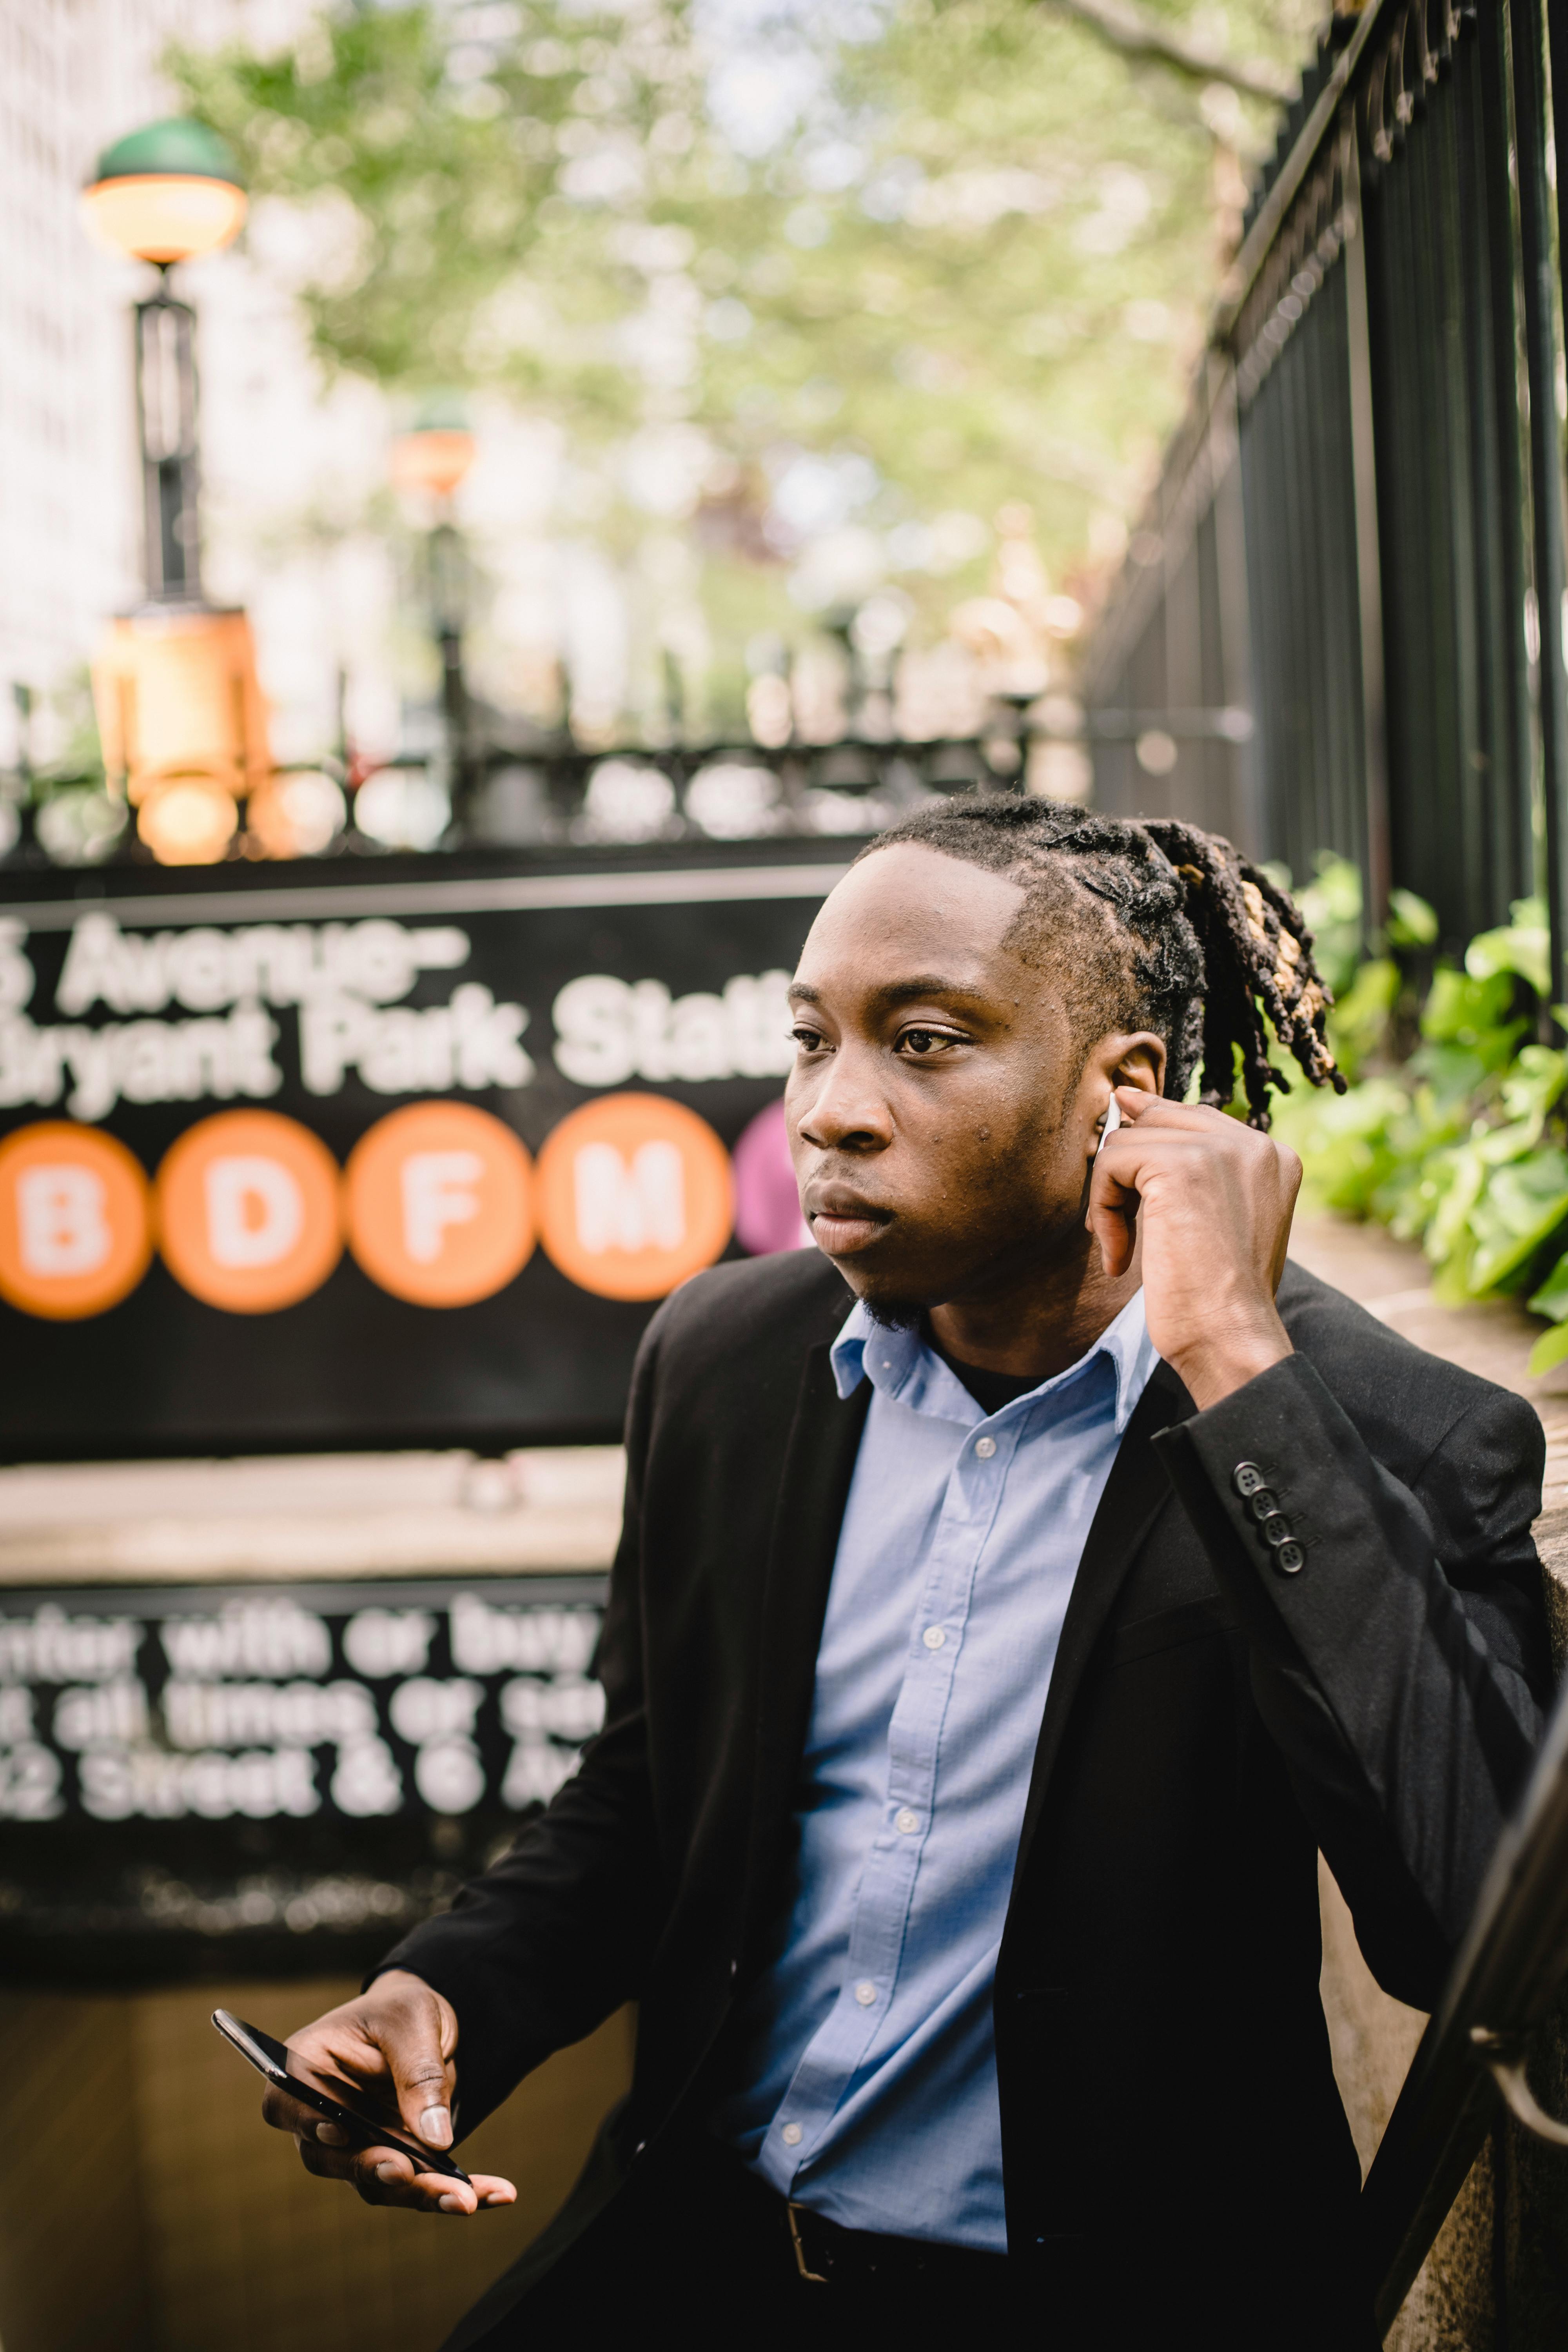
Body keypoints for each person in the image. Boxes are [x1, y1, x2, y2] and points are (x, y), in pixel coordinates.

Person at [261, 800, 1549, 2348]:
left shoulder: (1371, 1433)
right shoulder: (724, 1363)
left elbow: (1475, 1939)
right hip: (705, 2254)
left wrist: (1232, 1366)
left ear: (1118, 1099)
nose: (830, 1110)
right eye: (811, 1041)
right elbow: (660, 1792)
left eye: (923, 1042)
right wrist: (451, 1991)